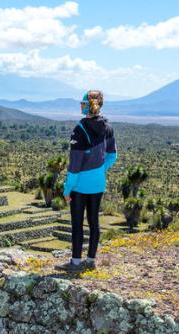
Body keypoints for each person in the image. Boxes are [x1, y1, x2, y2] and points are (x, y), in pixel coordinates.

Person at [56, 90, 118, 273]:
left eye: (81, 103)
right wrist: (99, 171)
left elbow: (74, 166)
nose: (80, 106)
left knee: (77, 224)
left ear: (86, 105)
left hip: (79, 186)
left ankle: (75, 263)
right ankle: (91, 261)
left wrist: (67, 189)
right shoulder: (108, 127)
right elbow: (112, 156)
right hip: (98, 184)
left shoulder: (79, 129)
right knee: (94, 222)